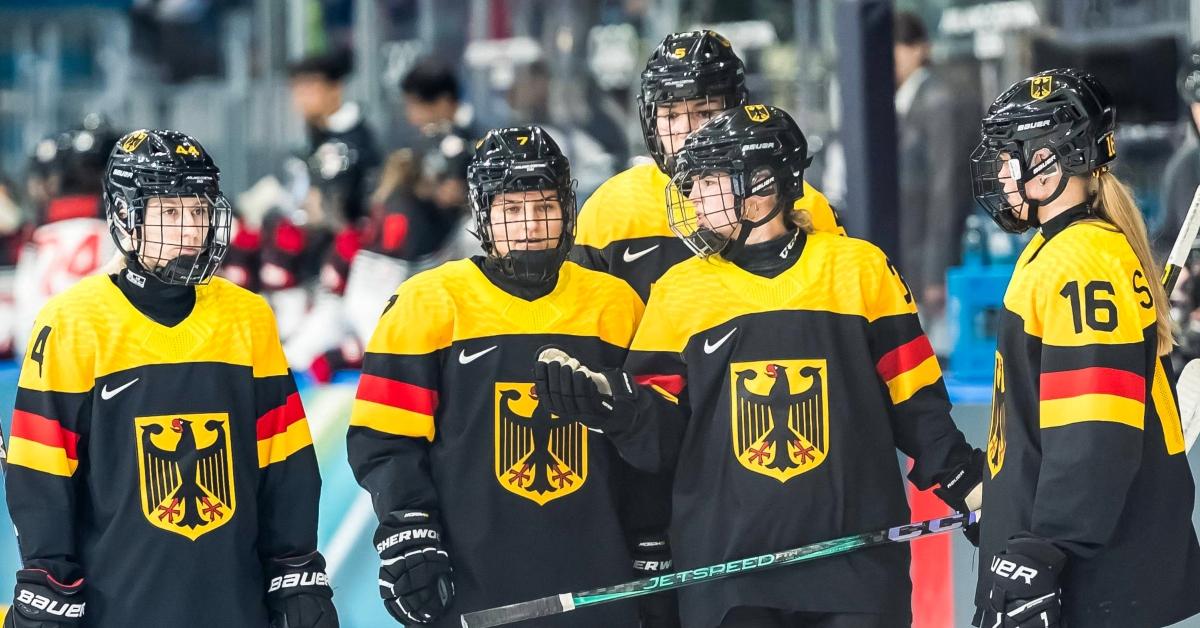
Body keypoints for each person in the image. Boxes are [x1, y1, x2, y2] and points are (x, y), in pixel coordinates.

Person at [535, 104, 982, 628]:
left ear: (762, 184)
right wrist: (613, 404)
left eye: (707, 183)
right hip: (728, 577)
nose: (694, 199)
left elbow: (918, 404)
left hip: (856, 570)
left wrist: (972, 486)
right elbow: (663, 438)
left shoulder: (858, 269)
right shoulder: (681, 289)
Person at [3, 129, 337, 628]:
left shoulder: (247, 318)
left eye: (200, 211)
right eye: (171, 212)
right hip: (118, 606)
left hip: (235, 604)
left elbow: (285, 464)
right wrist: (48, 582)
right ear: (125, 217)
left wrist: (295, 569)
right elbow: (42, 473)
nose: (190, 229)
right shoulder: (73, 322)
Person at [347, 126, 643, 627]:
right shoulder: (429, 302)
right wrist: (408, 529)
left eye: (544, 208)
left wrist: (653, 534)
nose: (529, 225)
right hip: (474, 584)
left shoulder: (615, 304)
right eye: (511, 210)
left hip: (596, 580)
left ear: (568, 211)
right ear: (483, 215)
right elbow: (386, 440)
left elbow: (648, 438)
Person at [969, 68, 1200, 628]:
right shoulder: (1059, 249)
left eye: (1011, 155)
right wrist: (1007, 506)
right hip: (1078, 570)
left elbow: (1093, 439)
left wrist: (1041, 550)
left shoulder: (1083, 264)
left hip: (1095, 584)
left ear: (1054, 160)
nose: (1000, 173)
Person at [571, 30, 846, 303]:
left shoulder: (798, 203)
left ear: (736, 111)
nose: (686, 131)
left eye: (704, 113)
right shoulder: (609, 210)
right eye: (670, 114)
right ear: (650, 120)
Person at [893, 11, 977, 344]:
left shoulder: (937, 100)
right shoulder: (907, 100)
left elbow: (945, 188)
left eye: (896, 48)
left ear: (918, 49)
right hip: (909, 253)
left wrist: (935, 271)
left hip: (928, 259)